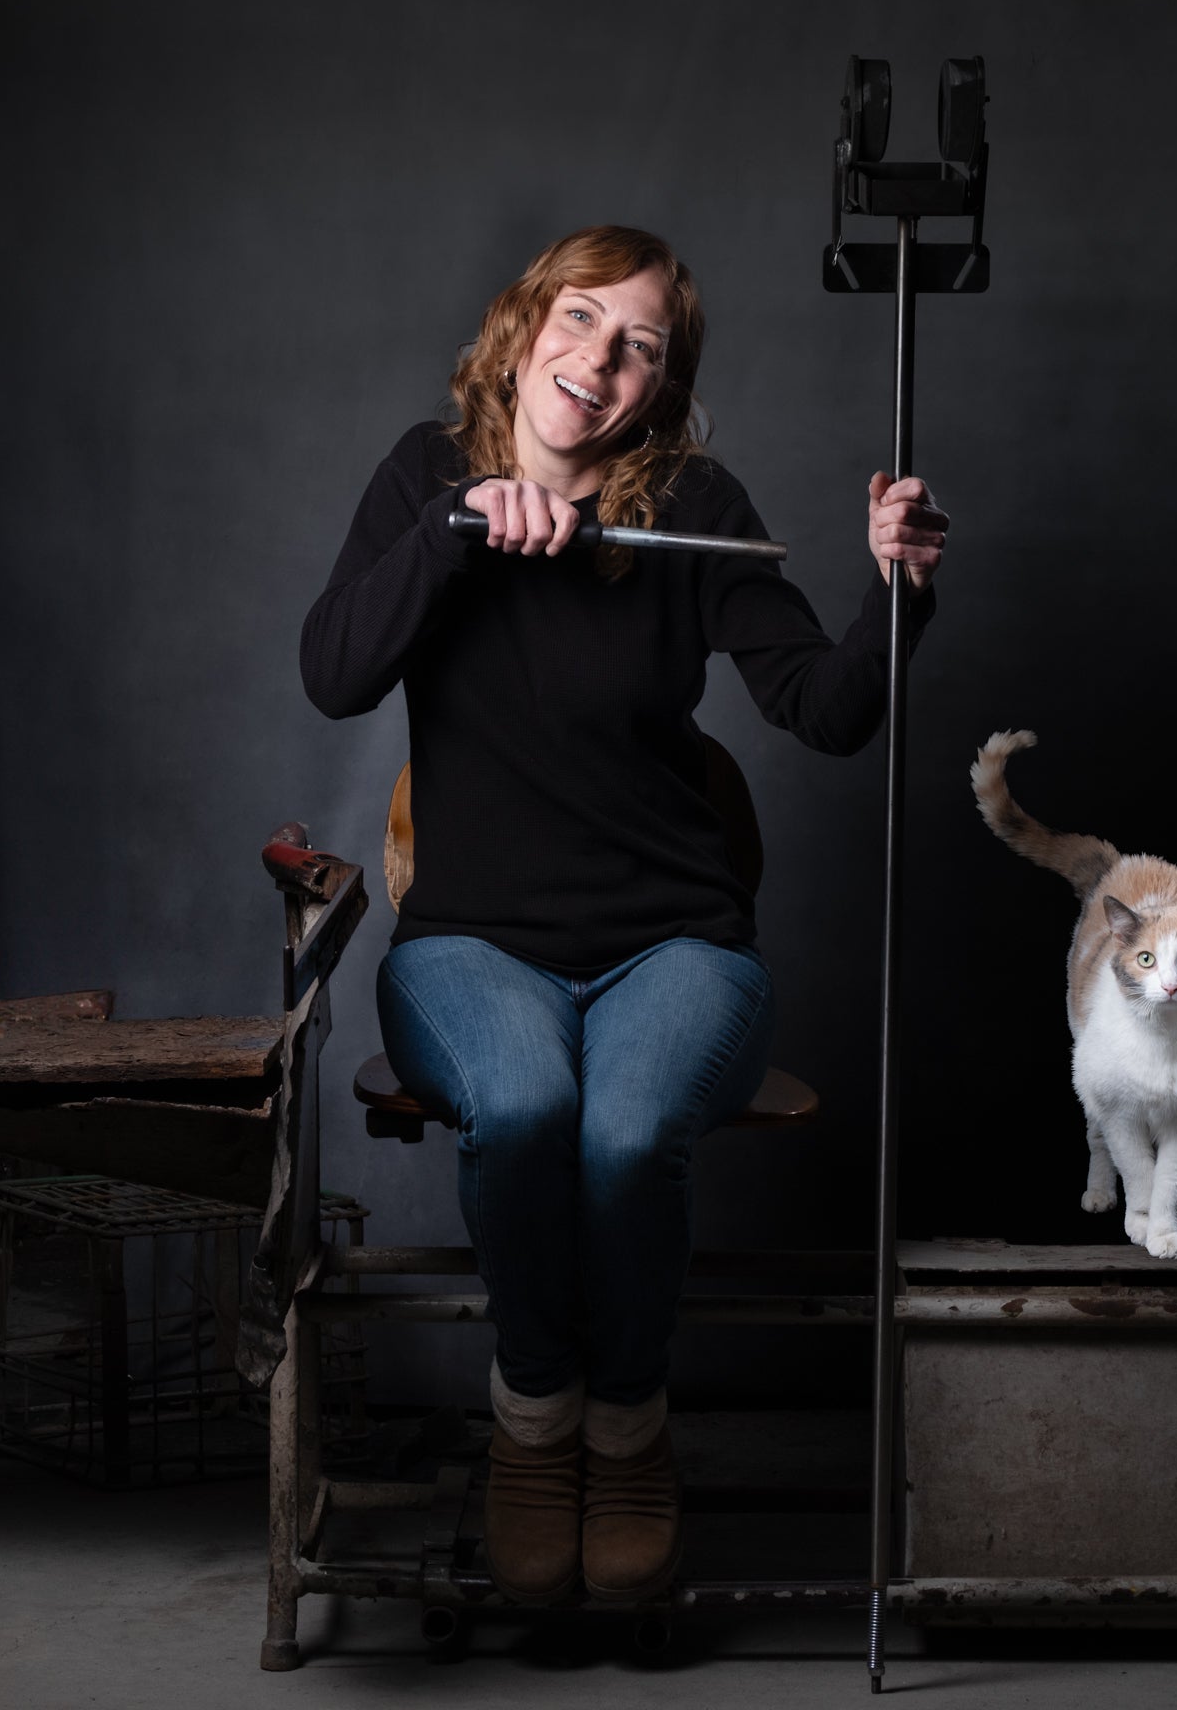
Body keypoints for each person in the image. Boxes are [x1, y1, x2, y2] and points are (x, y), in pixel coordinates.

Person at [300, 226, 946, 1606]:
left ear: (661, 385)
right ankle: (537, 1426)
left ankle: (628, 1430)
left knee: (630, 1130)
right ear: (526, 324)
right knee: (527, 1111)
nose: (598, 359)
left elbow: (823, 716)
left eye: (639, 344)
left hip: (676, 943)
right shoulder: (427, 473)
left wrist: (897, 590)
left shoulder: (693, 502)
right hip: (469, 943)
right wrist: (454, 530)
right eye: (582, 319)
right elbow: (335, 674)